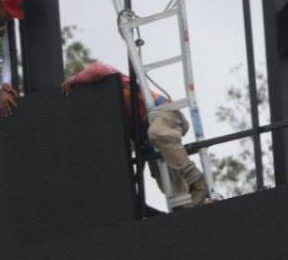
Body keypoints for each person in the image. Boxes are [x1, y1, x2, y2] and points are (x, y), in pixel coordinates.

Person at [62, 60, 211, 207]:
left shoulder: (115, 81)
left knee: (158, 133)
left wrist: (75, 79)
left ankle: (197, 180)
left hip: (163, 112)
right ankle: (196, 203)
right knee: (166, 181)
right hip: (147, 138)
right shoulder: (107, 112)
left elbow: (99, 68)